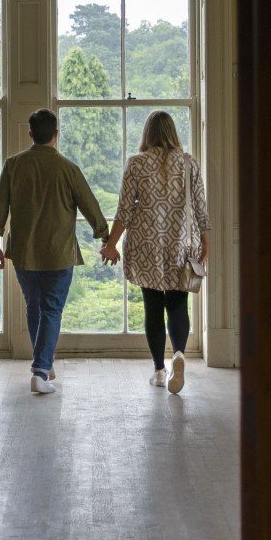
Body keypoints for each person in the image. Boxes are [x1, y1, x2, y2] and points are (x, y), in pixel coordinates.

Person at [0, 108, 110, 395]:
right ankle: (40, 370)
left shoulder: (13, 165)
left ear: (31, 134)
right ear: (57, 134)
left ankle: (43, 361)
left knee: (35, 307)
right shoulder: (68, 168)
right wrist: (106, 238)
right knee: (51, 309)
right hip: (59, 252)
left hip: (24, 251)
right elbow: (91, 207)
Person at [101, 111, 209, 394]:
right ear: (173, 132)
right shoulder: (188, 163)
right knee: (178, 303)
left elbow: (124, 210)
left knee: (152, 307)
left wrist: (111, 243)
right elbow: (200, 208)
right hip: (181, 243)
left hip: (145, 243)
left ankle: (159, 371)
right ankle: (180, 355)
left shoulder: (136, 164)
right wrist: (205, 242)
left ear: (147, 133)